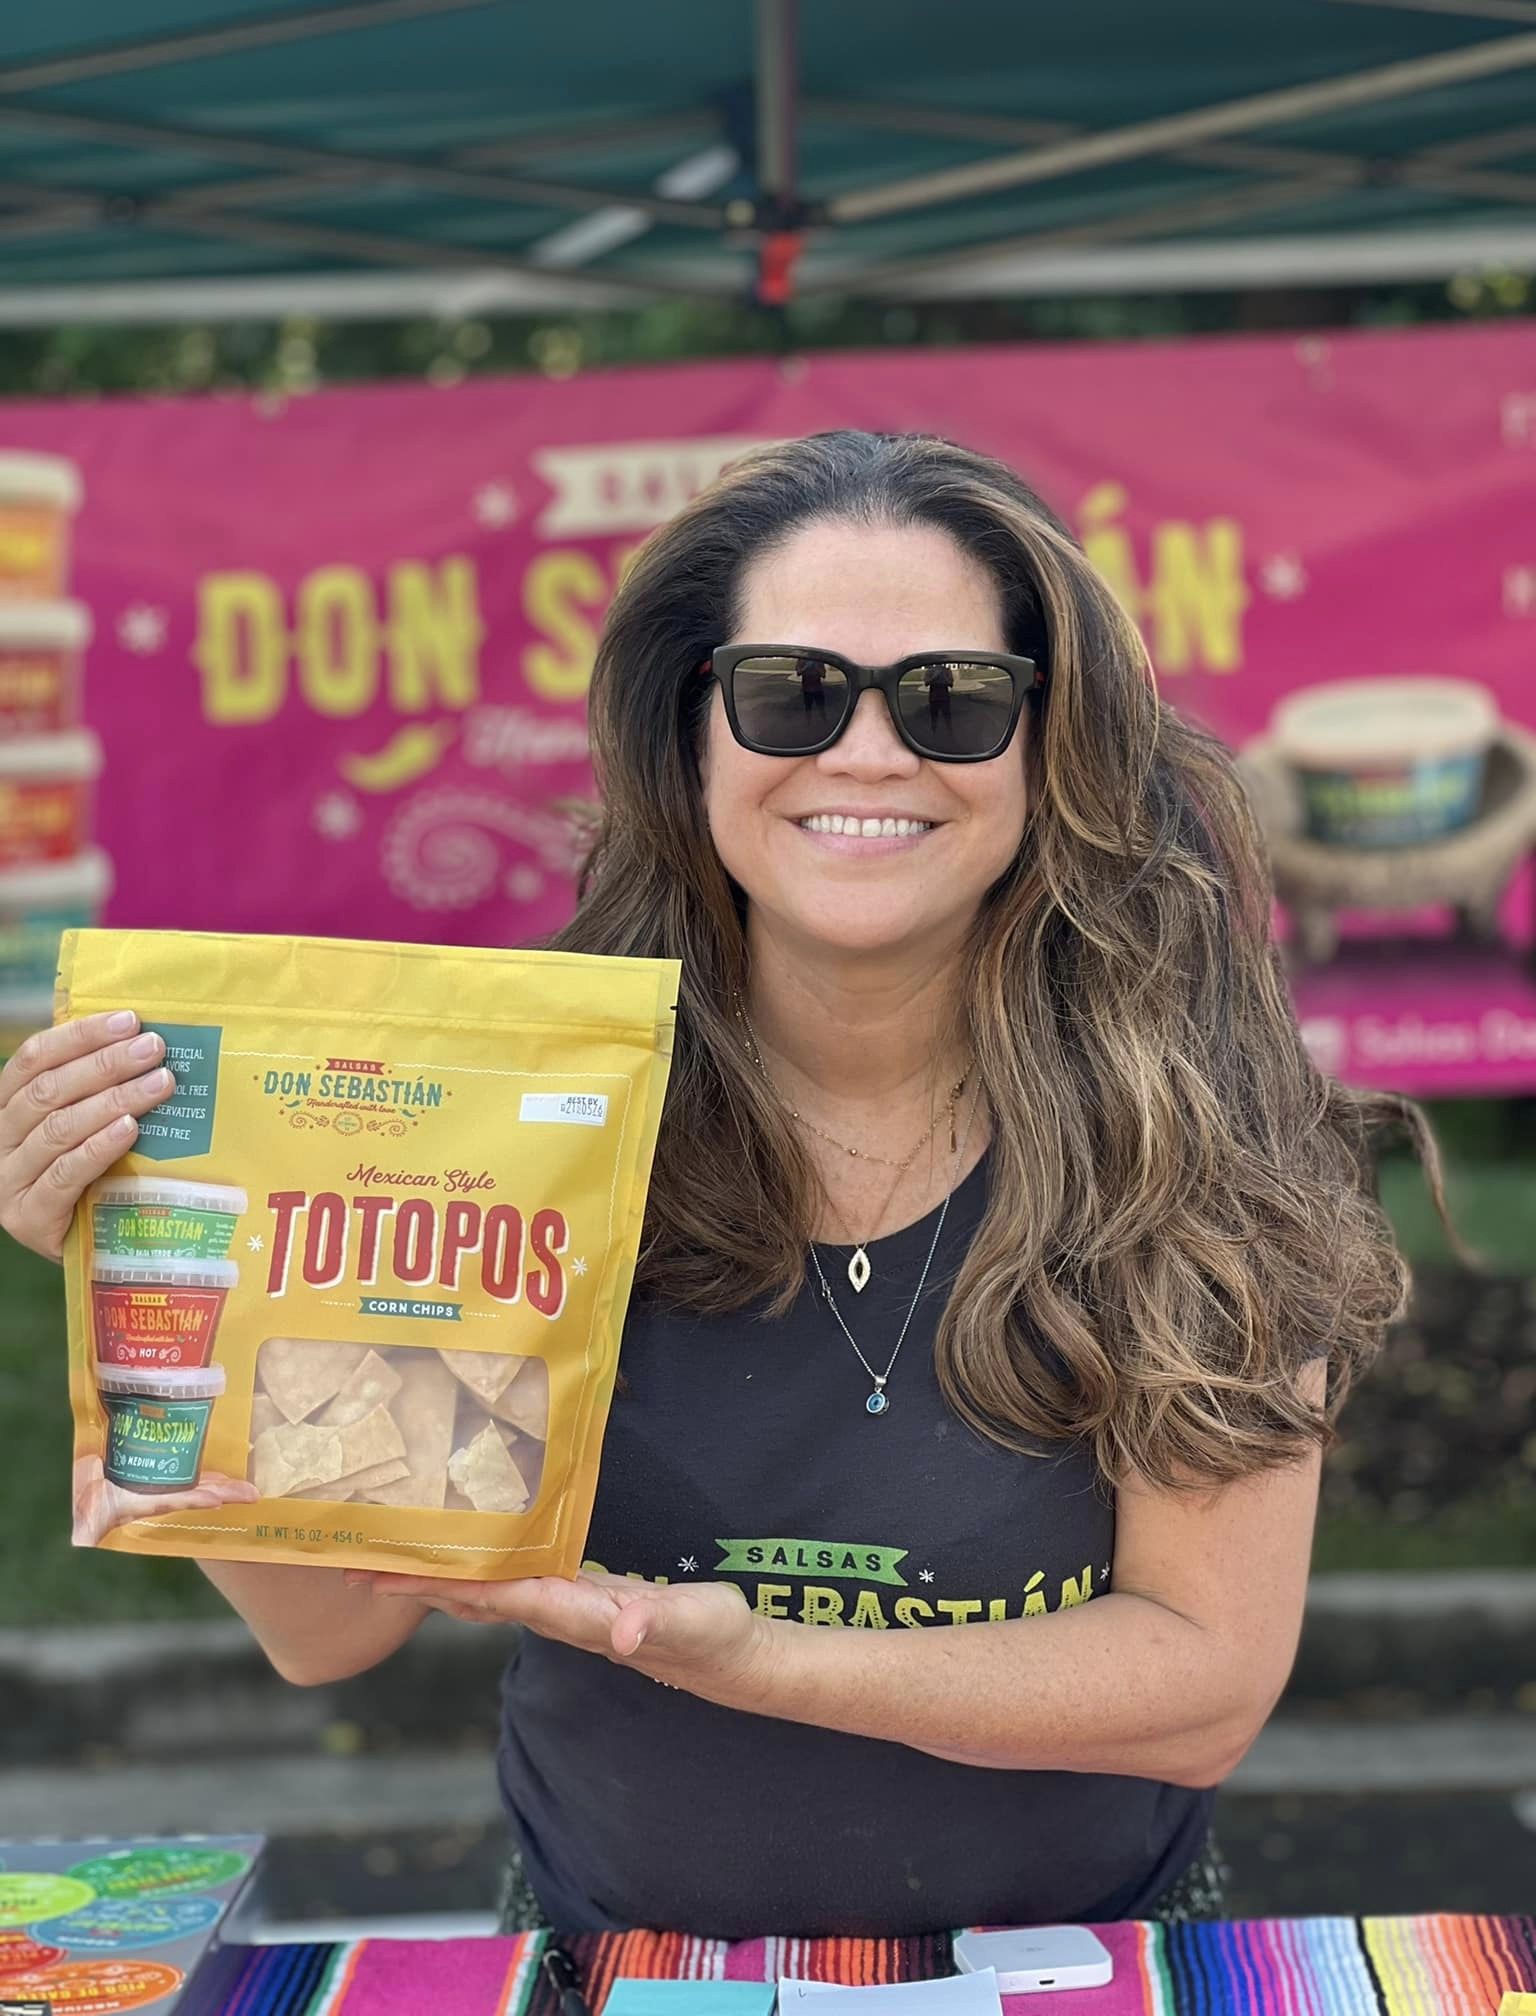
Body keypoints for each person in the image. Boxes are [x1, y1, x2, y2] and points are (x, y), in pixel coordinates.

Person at [0, 430, 1447, 1940]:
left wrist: (758, 1662)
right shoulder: (527, 1121)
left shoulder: (1195, 1137)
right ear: (692, 735)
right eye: (792, 693)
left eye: (952, 700)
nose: (867, 754)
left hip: (1091, 1967)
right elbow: (324, 1632)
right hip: (605, 1964)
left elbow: (1203, 1688)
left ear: (1046, 746)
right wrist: (140, 1281)